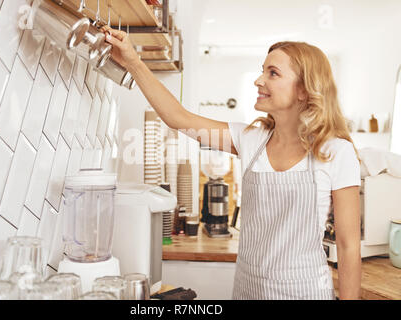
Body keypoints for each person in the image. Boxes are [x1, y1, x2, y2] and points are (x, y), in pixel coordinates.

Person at [102, 26, 361, 300]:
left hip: (305, 291)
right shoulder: (250, 139)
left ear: (303, 90)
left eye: (273, 73)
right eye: (263, 70)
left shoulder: (335, 152)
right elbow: (178, 118)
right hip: (249, 290)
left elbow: (348, 246)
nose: (259, 80)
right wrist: (133, 61)